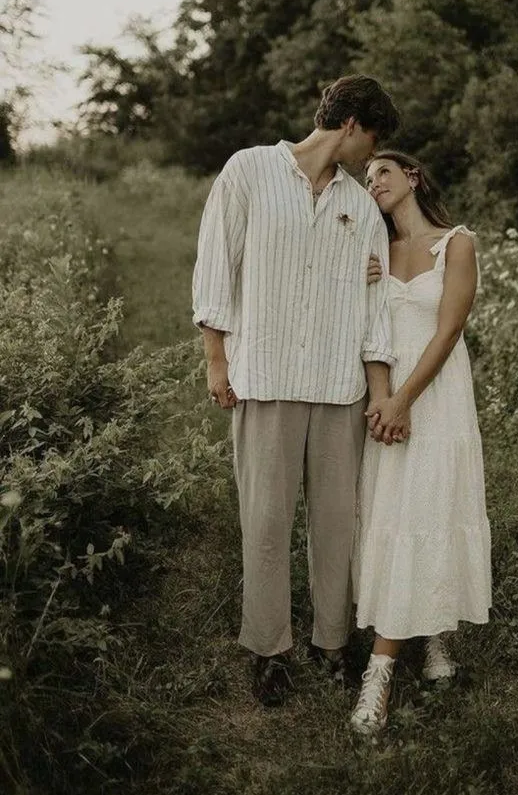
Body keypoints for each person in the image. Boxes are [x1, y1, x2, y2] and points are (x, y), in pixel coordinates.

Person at [191, 75, 402, 707]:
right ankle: (268, 648)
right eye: (372, 139)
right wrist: (215, 359)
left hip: (338, 386)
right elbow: (215, 264)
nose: (371, 156)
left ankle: (330, 642)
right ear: (351, 126)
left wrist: (376, 386)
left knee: (337, 524)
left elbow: (374, 308)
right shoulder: (249, 171)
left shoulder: (360, 207)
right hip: (266, 375)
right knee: (265, 520)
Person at [349, 150, 492, 735]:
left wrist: (405, 399)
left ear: (411, 177)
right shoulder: (373, 251)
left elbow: (450, 327)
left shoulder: (456, 243)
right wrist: (382, 400)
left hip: (436, 393)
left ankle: (383, 668)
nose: (373, 182)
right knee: (395, 512)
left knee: (432, 506)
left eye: (383, 171)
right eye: (366, 178)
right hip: (387, 394)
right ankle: (421, 634)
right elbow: (369, 328)